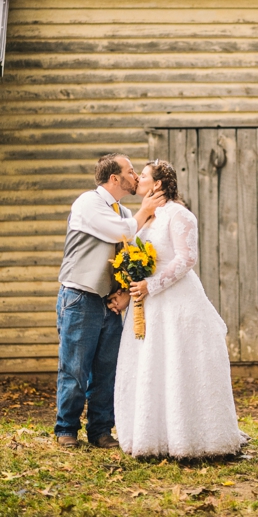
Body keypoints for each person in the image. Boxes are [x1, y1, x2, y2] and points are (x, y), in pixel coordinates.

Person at [114, 160, 245, 458]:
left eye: (143, 176)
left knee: (178, 364)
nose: (138, 180)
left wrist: (152, 285)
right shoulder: (146, 218)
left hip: (176, 302)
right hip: (148, 305)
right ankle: (153, 437)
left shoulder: (180, 215)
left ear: (158, 184)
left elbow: (186, 260)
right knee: (152, 365)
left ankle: (191, 437)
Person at [55, 153, 165, 448]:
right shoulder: (88, 203)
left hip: (109, 302)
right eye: (131, 172)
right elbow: (120, 232)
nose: (136, 177)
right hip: (80, 297)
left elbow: (129, 252)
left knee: (106, 370)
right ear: (114, 178)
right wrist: (144, 211)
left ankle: (100, 431)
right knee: (75, 369)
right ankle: (66, 429)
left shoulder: (125, 211)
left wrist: (125, 291)